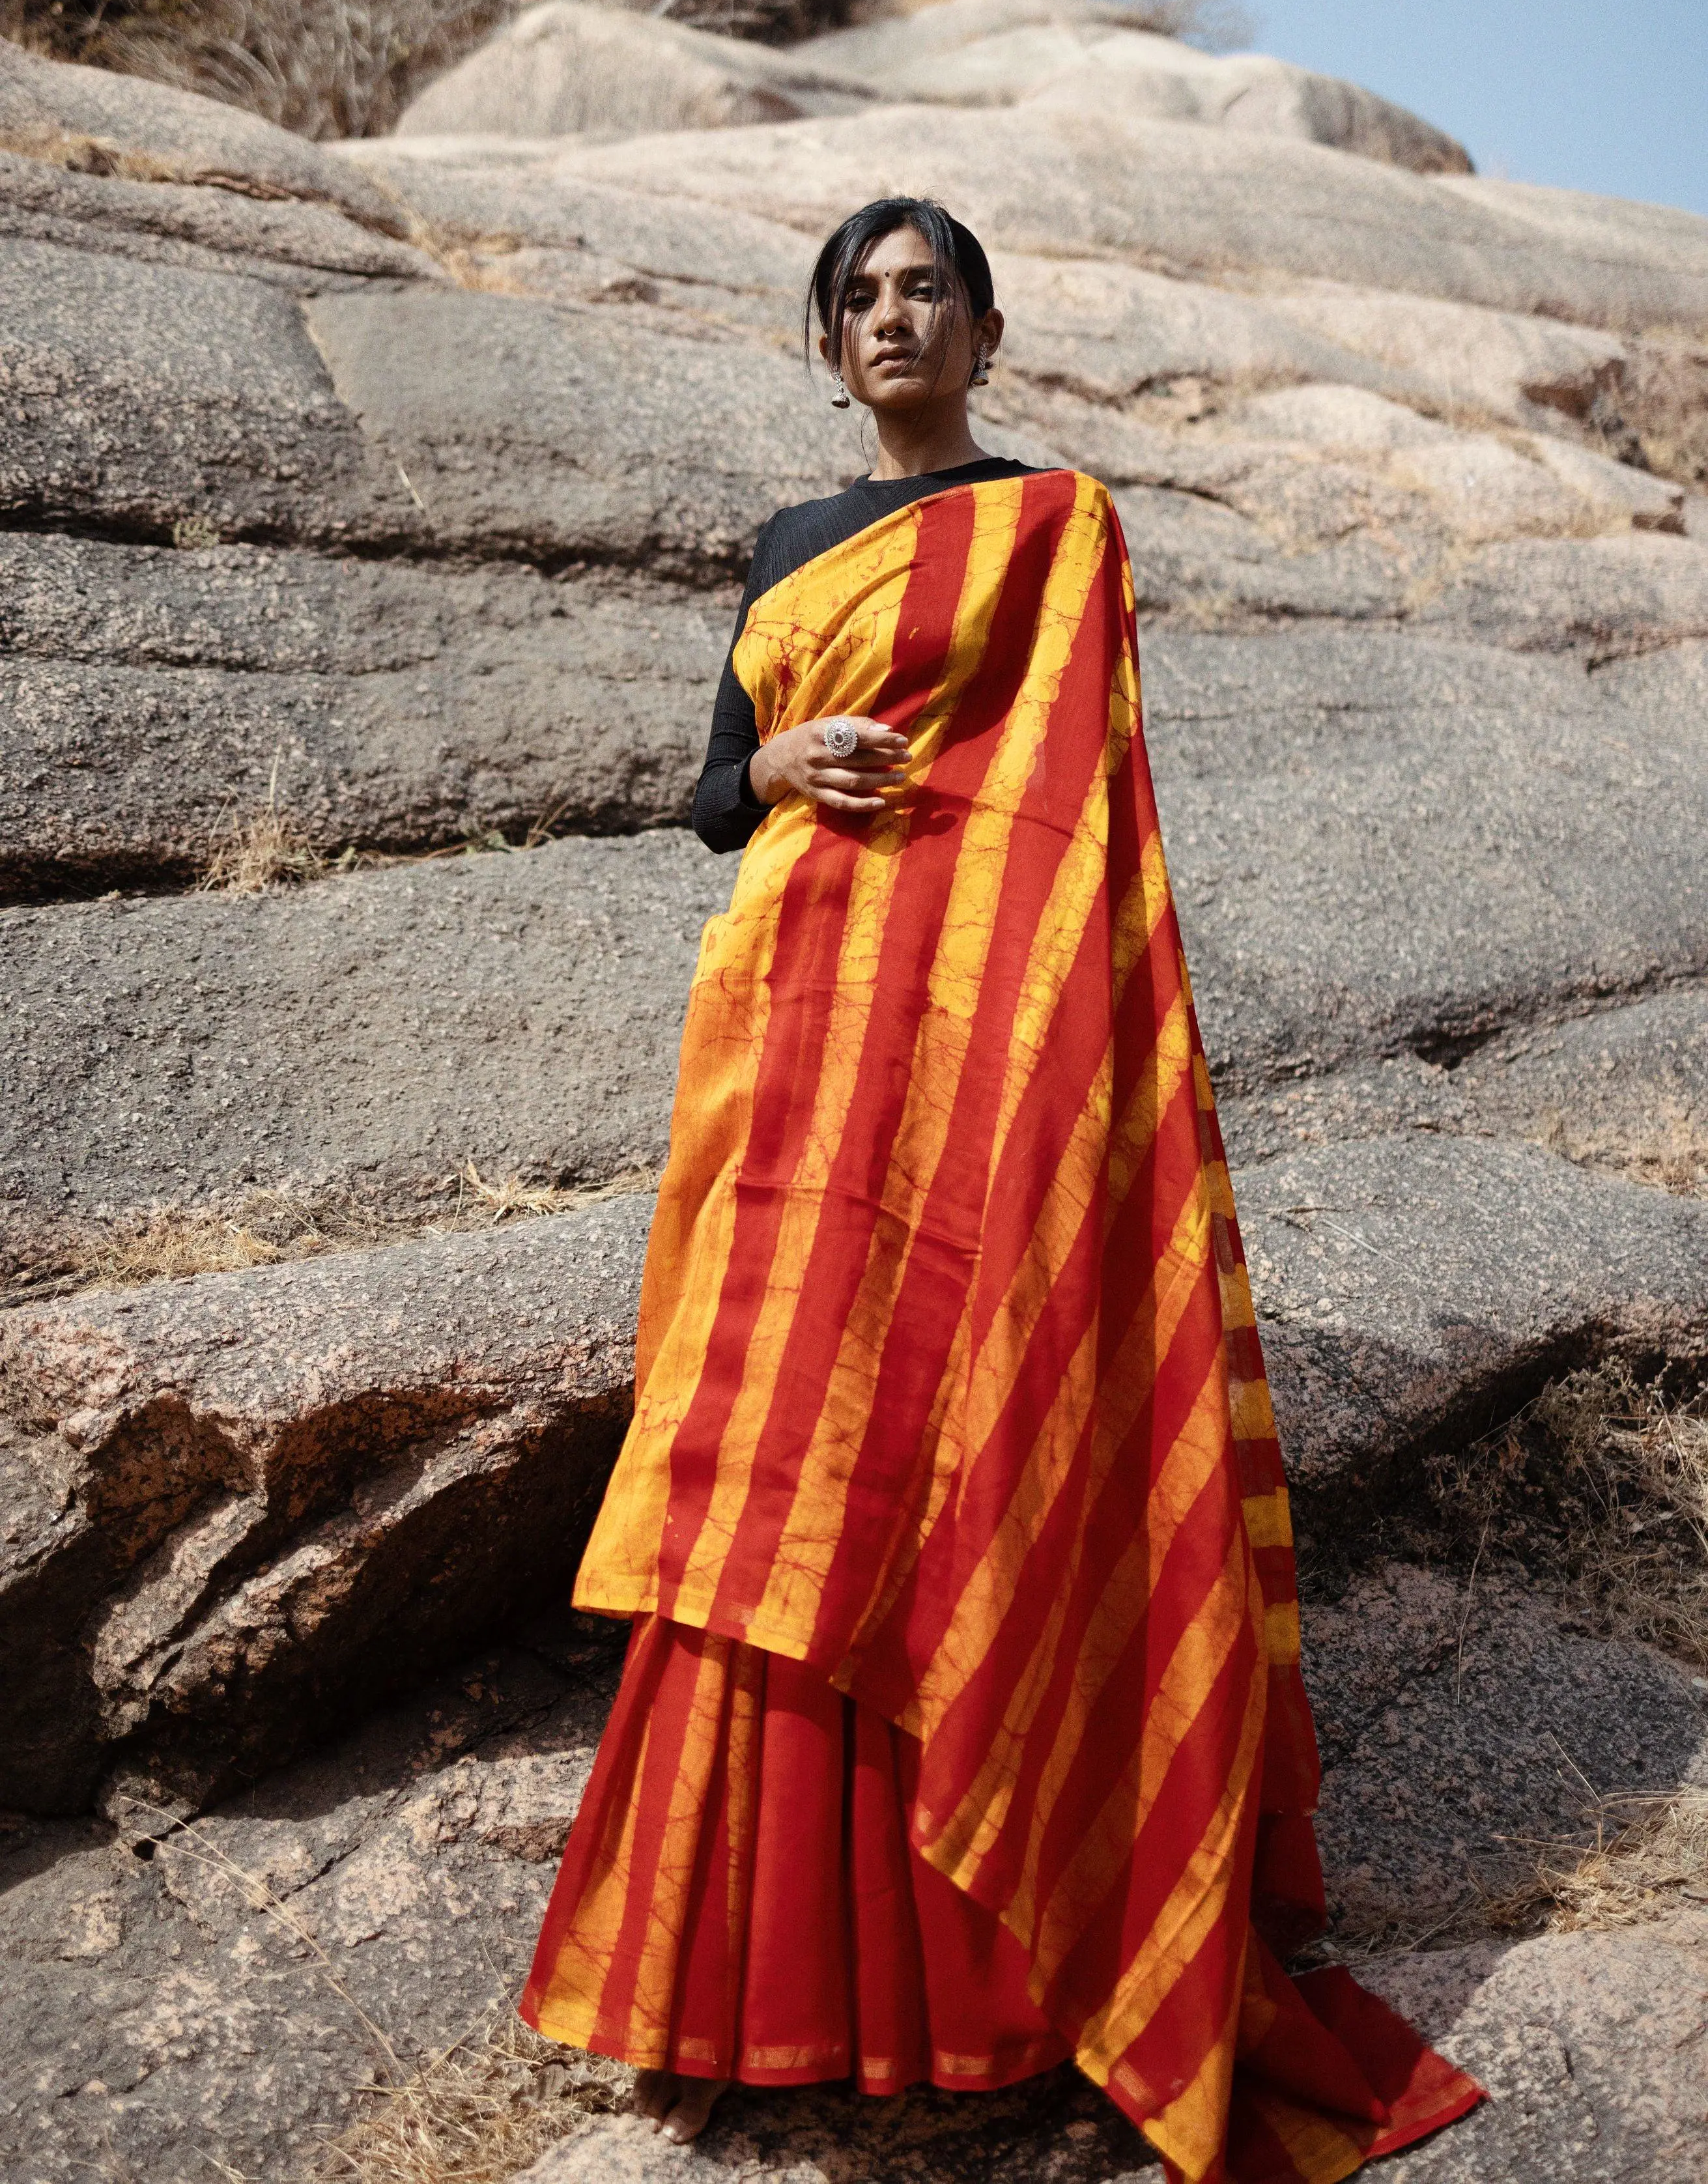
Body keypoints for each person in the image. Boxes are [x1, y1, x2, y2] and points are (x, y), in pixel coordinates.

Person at [520, 199, 1481, 2183]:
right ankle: (752, 1981)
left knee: (964, 1430)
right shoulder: (791, 552)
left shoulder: (1057, 525)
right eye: (858, 297)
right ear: (823, 344)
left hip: (983, 1047)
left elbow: (1082, 814)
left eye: (924, 289)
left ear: (982, 327)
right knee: (784, 1448)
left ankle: (991, 1973)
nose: (892, 317)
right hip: (798, 1035)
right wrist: (776, 772)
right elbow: (715, 790)